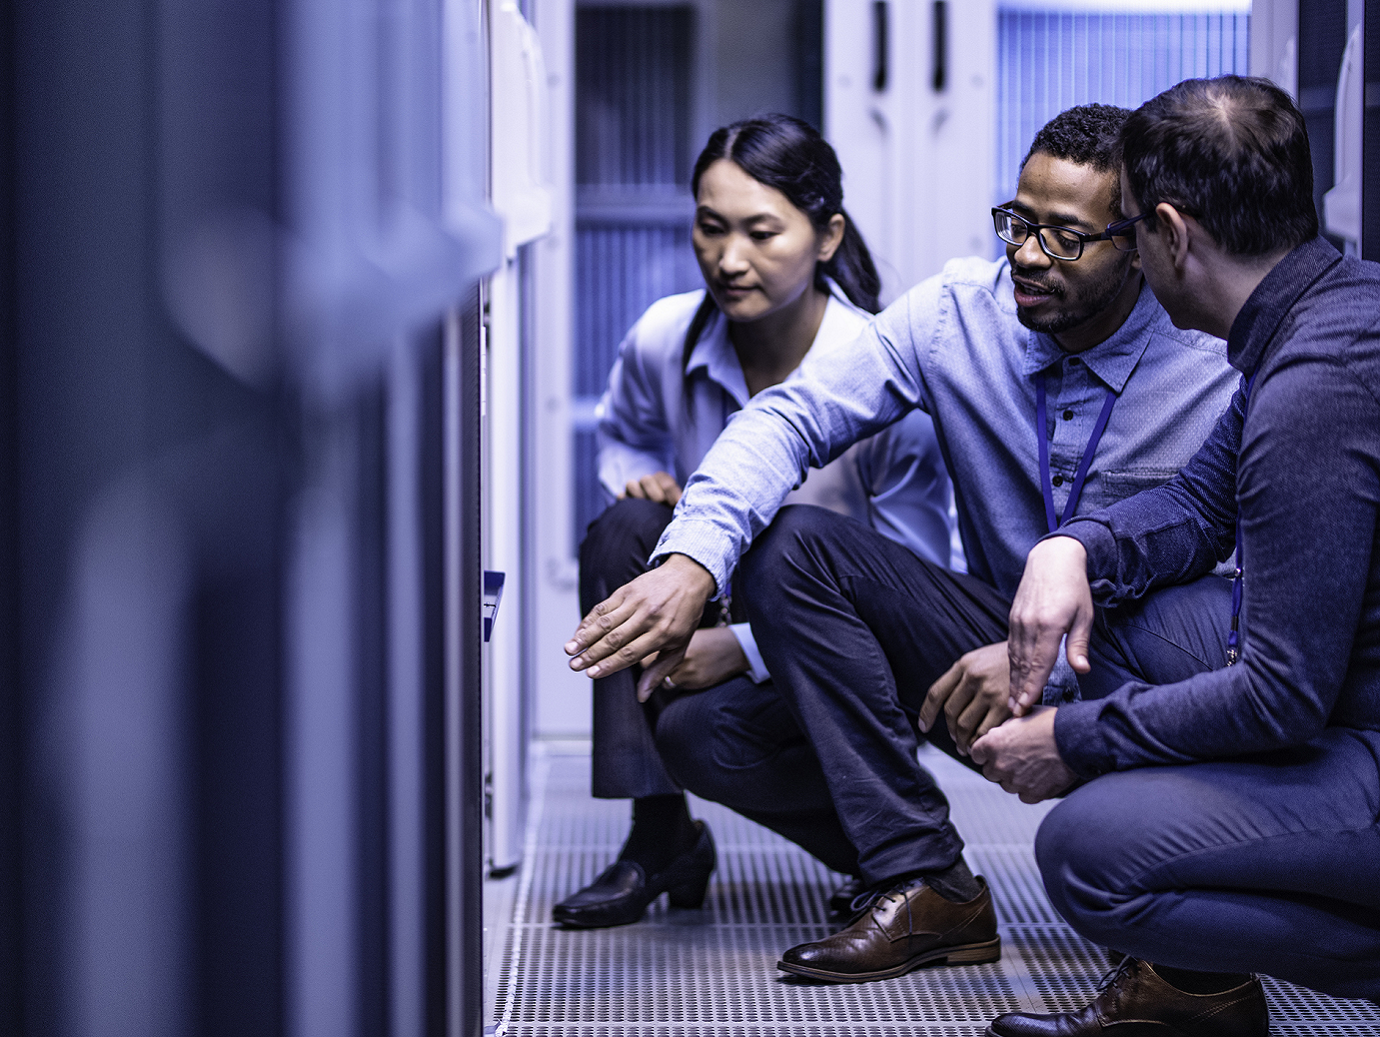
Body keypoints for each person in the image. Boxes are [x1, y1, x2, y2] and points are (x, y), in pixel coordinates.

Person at [563, 104, 1241, 980]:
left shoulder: (1215, 353)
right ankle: (925, 880)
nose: (1029, 255)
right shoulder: (957, 315)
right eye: (1019, 223)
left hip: (1151, 671)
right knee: (735, 662)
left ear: (1147, 241)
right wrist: (696, 557)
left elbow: (1245, 593)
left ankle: (1164, 878)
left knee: (1137, 896)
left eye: (1067, 237)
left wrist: (1046, 646)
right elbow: (792, 416)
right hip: (984, 645)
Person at [974, 76, 1380, 1036]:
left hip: (1356, 726)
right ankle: (1190, 995)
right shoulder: (1329, 307)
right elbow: (1200, 506)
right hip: (1350, 694)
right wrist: (1072, 546)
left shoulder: (1316, 389)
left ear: (1168, 232)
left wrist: (1073, 741)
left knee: (1087, 852)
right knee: (1114, 612)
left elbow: (1280, 696)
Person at [553, 114, 955, 929]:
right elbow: (624, 430)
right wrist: (634, 473)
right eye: (710, 227)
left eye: (762, 232)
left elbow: (910, 589)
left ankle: (898, 850)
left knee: (715, 712)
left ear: (827, 235)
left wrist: (738, 648)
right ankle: (657, 834)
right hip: (703, 613)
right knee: (624, 531)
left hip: (847, 666)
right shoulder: (666, 337)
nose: (729, 258)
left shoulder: (881, 381)